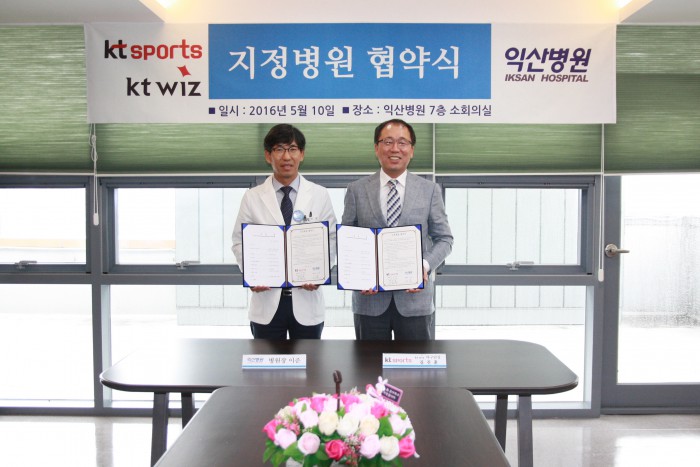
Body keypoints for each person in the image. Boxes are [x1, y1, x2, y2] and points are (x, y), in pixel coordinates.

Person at [341, 119, 453, 340]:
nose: (395, 149)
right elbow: (347, 239)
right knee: (369, 362)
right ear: (376, 148)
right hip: (369, 301)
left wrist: (423, 266)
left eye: (402, 143)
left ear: (411, 150)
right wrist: (358, 275)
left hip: (415, 302)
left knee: (415, 363)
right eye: (388, 142)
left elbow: (445, 239)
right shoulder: (356, 190)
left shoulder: (429, 190)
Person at [232, 124, 337, 339]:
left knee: (310, 359)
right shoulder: (252, 197)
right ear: (268, 155)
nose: (286, 156)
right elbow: (239, 242)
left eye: (292, 149)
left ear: (302, 154)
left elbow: (332, 239)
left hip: (307, 300)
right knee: (267, 361)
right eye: (279, 149)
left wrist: (320, 273)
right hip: (267, 301)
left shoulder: (319, 194)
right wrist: (252, 274)